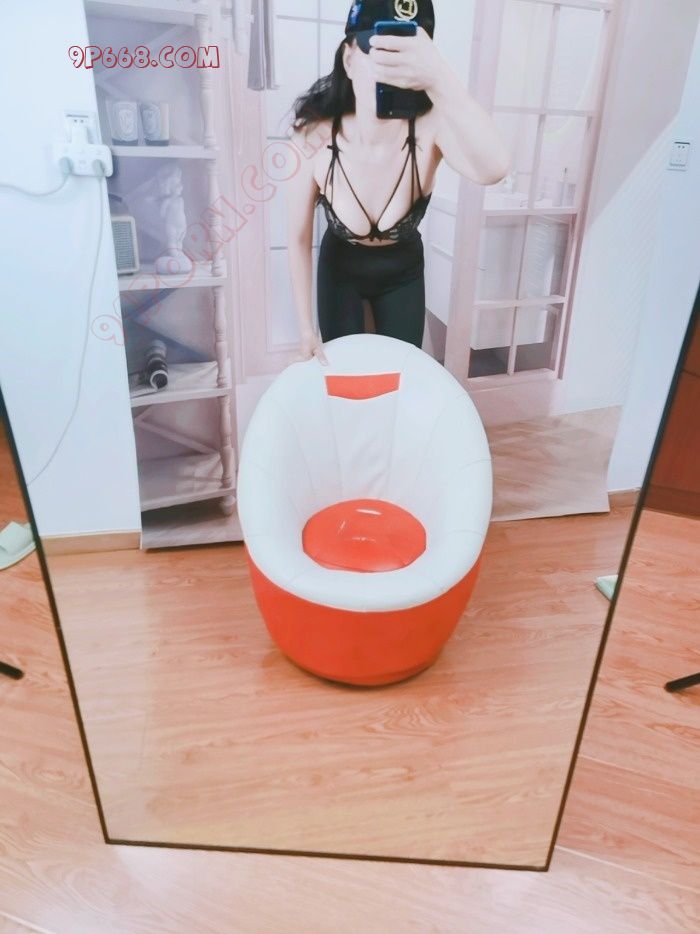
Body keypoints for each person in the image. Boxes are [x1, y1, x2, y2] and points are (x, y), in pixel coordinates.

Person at [287, 0, 511, 365]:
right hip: (340, 271)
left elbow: (494, 168)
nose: (391, 71)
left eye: (405, 57)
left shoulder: (432, 126)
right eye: (380, 52)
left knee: (400, 374)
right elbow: (297, 237)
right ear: (349, 59)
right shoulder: (313, 135)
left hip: (402, 271)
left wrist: (440, 77)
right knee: (345, 374)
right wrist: (304, 329)